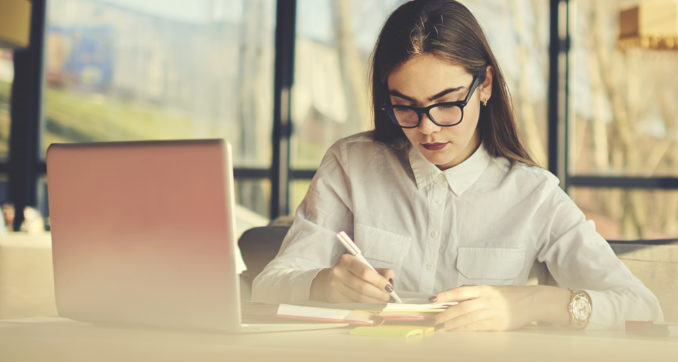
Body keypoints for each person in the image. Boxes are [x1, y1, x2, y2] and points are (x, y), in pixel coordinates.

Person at [252, 0, 663, 330]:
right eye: (405, 107)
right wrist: (324, 284)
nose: (427, 129)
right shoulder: (351, 165)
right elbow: (266, 287)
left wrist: (530, 302)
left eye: (447, 103)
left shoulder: (533, 196)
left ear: (484, 85)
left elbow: (642, 308)